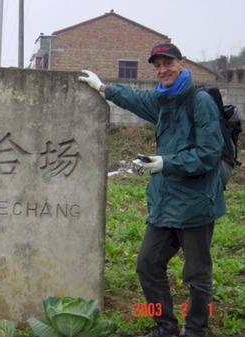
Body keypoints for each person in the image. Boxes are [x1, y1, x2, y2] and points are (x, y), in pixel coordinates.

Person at [79, 43, 225, 337]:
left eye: (167, 63)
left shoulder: (199, 101)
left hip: (196, 204)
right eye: (157, 66)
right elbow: (135, 98)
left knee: (196, 275)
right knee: (148, 264)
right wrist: (104, 89)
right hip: (165, 203)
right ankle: (166, 326)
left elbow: (210, 153)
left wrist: (164, 163)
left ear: (181, 63)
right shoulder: (163, 101)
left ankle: (196, 329)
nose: (162, 70)